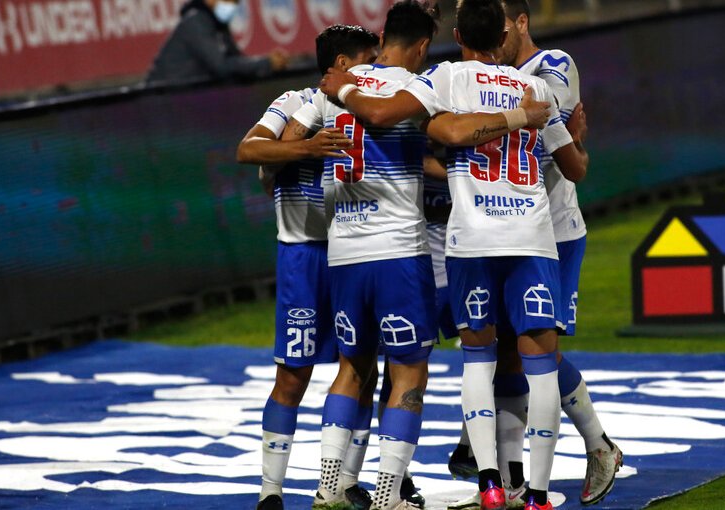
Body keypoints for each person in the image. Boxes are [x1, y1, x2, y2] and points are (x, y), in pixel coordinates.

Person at [319, 1, 589, 508]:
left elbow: (397, 117)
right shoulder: (535, 89)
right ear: (504, 35)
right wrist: (573, 137)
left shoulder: (445, 77)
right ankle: (536, 494)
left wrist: (346, 87)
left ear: (459, 33)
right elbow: (575, 168)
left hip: (469, 240)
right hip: (531, 237)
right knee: (541, 364)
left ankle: (488, 483)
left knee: (478, 360)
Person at [448, 1, 622, 508]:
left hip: (553, 229)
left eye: (505, 24)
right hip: (504, 227)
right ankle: (512, 471)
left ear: (520, 22)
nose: (500, 34)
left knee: (537, 350)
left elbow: (556, 150)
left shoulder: (553, 67)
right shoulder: (496, 79)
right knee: (507, 350)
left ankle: (597, 444)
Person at [235, 24, 380, 510]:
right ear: (341, 64)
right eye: (365, 59)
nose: (374, 67)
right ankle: (270, 492)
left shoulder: (375, 102)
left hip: (354, 252)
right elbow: (248, 149)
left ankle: (344, 483)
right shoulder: (295, 101)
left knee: (363, 369)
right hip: (303, 256)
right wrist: (306, 148)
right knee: (292, 377)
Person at [147, 0, 288, 85]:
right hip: (162, 103)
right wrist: (265, 63)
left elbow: (236, 59)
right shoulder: (195, 21)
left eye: (234, 1)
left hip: (186, 102)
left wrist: (268, 63)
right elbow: (221, 66)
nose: (231, 5)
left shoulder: (218, 24)